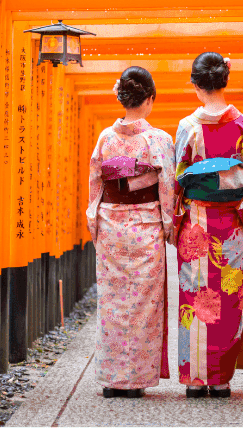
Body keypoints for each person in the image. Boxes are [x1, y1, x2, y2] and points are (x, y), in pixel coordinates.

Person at [171, 51, 243, 398]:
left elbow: (178, 179)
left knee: (194, 295)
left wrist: (173, 221)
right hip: (231, 226)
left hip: (197, 226)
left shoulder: (187, 127)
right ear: (225, 80)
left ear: (195, 84)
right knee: (228, 299)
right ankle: (221, 379)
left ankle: (194, 379)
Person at [85, 65, 176, 399]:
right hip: (145, 226)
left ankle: (112, 379)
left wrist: (95, 224)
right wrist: (169, 226)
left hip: (111, 224)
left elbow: (95, 186)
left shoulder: (105, 139)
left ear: (121, 98)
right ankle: (135, 380)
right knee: (143, 303)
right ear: (149, 99)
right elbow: (167, 188)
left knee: (112, 301)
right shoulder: (160, 140)